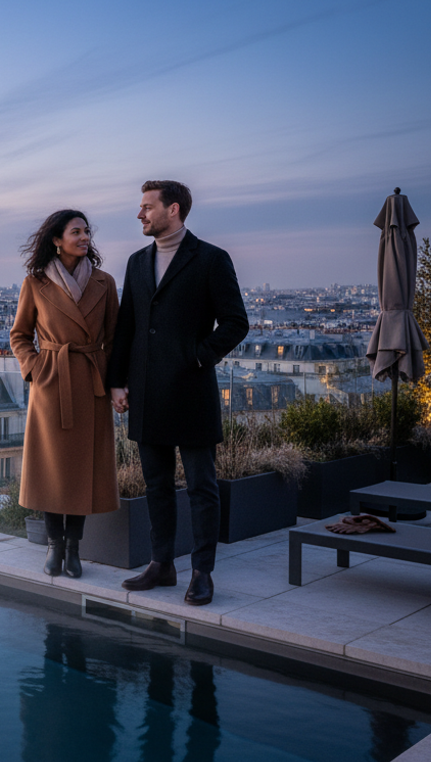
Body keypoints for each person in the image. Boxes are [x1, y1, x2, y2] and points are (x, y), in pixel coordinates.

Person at [106, 180, 248, 605]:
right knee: (157, 485)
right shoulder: (135, 262)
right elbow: (126, 326)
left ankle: (202, 571)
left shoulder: (210, 259)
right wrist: (117, 381)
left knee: (202, 486)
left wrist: (198, 358)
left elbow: (236, 322)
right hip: (147, 393)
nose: (140, 214)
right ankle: (161, 564)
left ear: (173, 209)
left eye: (147, 207)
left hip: (190, 389)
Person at [10, 209, 119, 578]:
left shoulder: (104, 282)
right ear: (57, 240)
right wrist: (36, 368)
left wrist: (113, 379)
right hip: (52, 384)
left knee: (82, 472)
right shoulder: (35, 283)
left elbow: (115, 339)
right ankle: (54, 548)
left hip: (90, 385)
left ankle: (74, 549)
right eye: (77, 231)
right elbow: (20, 335)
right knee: (51, 471)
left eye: (87, 231)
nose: (85, 237)